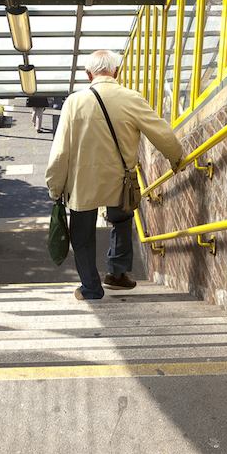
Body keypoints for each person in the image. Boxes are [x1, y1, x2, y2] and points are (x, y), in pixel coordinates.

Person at [46, 50, 184, 300]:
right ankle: (117, 274)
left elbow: (60, 153)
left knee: (82, 235)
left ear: (88, 75)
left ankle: (90, 288)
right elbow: (161, 132)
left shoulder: (73, 103)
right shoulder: (131, 98)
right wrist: (176, 158)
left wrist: (54, 187)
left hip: (82, 184)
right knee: (121, 220)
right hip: (120, 182)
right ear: (116, 72)